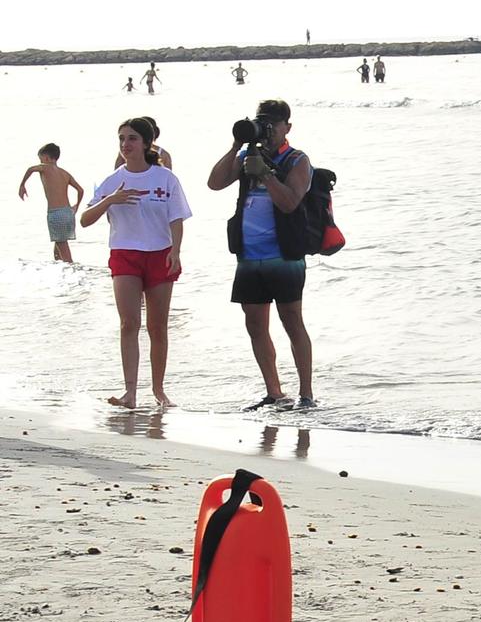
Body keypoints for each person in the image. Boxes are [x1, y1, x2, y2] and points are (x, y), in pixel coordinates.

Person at [206, 98, 316, 410]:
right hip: (249, 256)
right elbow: (214, 183)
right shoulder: (245, 155)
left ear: (287, 127)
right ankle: (274, 392)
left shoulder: (297, 160)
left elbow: (291, 202)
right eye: (262, 122)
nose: (267, 129)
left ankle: (306, 394)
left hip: (285, 255)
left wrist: (266, 175)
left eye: (273, 124)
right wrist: (236, 145)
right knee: (254, 324)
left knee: (292, 320)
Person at [79, 119, 192, 408]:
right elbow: (85, 219)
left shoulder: (165, 178)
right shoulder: (113, 179)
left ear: (145, 143)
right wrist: (110, 200)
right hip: (125, 253)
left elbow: (176, 218)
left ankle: (159, 390)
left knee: (158, 327)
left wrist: (176, 250)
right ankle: (130, 392)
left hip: (160, 253)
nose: (125, 144)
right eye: (121, 139)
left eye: (131, 138)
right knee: (129, 323)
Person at [18, 143, 84, 263]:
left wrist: (22, 185)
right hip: (68, 213)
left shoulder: (45, 167)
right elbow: (80, 190)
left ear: (47, 158)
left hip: (56, 213)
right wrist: (76, 207)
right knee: (58, 247)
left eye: (41, 159)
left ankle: (73, 272)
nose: (40, 162)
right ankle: (61, 273)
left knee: (64, 252)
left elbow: (30, 169)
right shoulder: (65, 173)